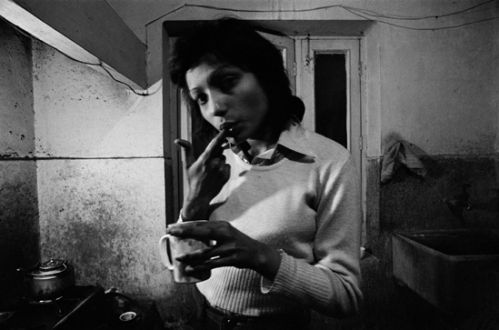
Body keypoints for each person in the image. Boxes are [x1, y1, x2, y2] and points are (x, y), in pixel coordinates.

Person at [168, 17, 363, 330]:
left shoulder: (328, 162)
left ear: (266, 78)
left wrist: (260, 256)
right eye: (200, 97)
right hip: (206, 320)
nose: (214, 108)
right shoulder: (216, 166)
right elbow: (184, 274)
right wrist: (195, 202)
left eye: (227, 82)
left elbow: (346, 296)